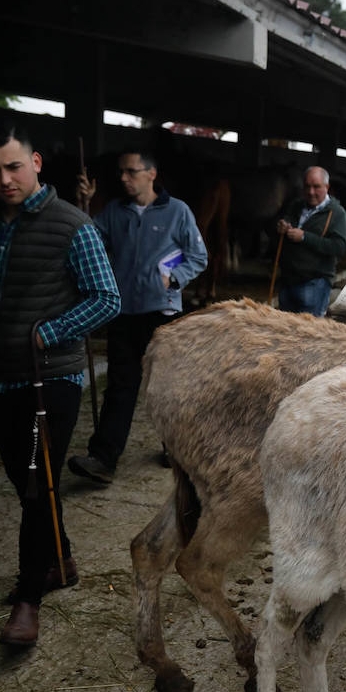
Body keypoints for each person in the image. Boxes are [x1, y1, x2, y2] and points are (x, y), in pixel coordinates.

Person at [0, 121, 119, 647]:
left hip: (49, 378)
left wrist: (46, 333)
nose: (4, 178)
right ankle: (61, 560)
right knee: (28, 483)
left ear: (36, 164)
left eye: (13, 166)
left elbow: (106, 298)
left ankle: (29, 598)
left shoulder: (72, 225)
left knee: (34, 485)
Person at [68, 150, 207, 485]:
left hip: (163, 315)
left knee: (167, 387)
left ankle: (175, 448)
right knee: (120, 386)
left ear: (151, 174)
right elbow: (88, 241)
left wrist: (171, 277)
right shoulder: (114, 213)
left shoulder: (177, 212)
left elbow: (197, 255)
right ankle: (103, 458)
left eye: (131, 172)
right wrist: (84, 206)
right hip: (123, 312)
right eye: (121, 172)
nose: (124, 178)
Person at [273, 166, 346, 316]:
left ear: (327, 187)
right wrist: (282, 225)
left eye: (316, 187)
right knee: (283, 331)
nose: (311, 192)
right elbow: (284, 221)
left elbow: (338, 247)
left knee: (307, 334)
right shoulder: (296, 205)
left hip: (314, 284)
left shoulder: (337, 214)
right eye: (307, 186)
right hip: (288, 281)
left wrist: (305, 237)